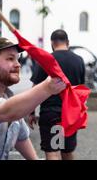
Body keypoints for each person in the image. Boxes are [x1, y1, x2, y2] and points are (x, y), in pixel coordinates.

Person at [0, 37, 66, 160]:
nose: (18, 64)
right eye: (10, 58)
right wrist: (47, 88)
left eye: (18, 59)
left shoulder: (7, 98)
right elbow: (5, 112)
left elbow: (20, 137)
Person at [28, 29, 85, 160]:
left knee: (53, 152)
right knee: (67, 151)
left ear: (52, 43)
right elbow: (80, 89)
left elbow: (35, 89)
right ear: (68, 42)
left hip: (51, 113)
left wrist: (31, 112)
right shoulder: (79, 60)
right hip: (70, 114)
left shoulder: (46, 59)